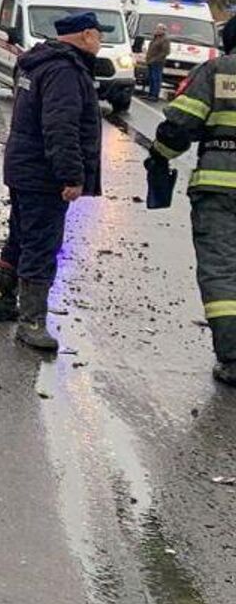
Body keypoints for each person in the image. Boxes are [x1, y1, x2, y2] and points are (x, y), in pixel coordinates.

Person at [0, 11, 103, 351]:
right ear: (85, 35)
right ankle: (32, 321)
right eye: (99, 34)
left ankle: (2, 300)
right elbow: (60, 128)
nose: (101, 41)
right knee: (42, 244)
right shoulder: (65, 71)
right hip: (42, 174)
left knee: (20, 236)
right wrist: (71, 176)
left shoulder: (38, 62)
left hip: (23, 166)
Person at [146, 55, 236, 386]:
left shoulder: (219, 70)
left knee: (223, 273)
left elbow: (178, 127)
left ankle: (233, 357)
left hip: (221, 190)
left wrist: (158, 156)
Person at [143, 24, 171, 100]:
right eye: (156, 28)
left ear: (163, 31)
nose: (156, 30)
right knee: (151, 78)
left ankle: (155, 95)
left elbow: (166, 52)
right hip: (150, 61)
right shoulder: (155, 38)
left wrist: (155, 59)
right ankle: (150, 93)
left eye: (159, 29)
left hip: (158, 62)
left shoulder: (165, 39)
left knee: (156, 78)